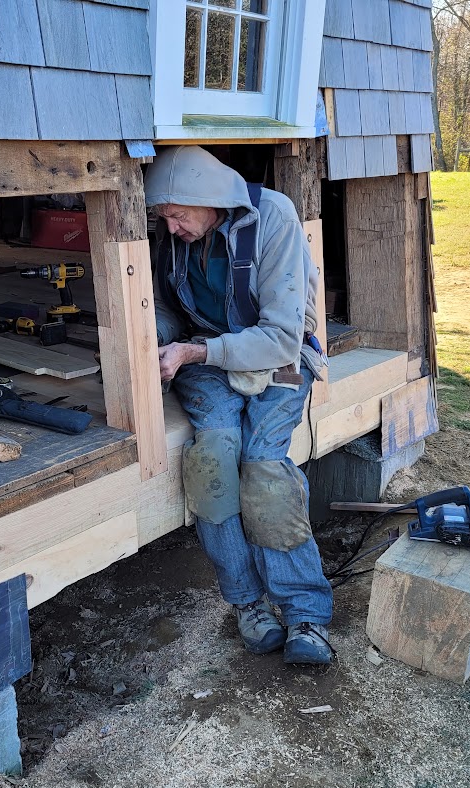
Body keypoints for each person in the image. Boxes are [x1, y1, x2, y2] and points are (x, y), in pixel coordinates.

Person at [144, 145, 334, 666]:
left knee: (264, 469)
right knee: (213, 463)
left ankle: (305, 613)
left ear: (209, 200)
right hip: (205, 356)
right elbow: (164, 309)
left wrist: (194, 350)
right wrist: (154, 342)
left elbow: (279, 338)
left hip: (276, 354)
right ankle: (247, 601)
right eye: (163, 217)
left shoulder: (273, 217)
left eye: (178, 215)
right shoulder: (174, 234)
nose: (172, 227)